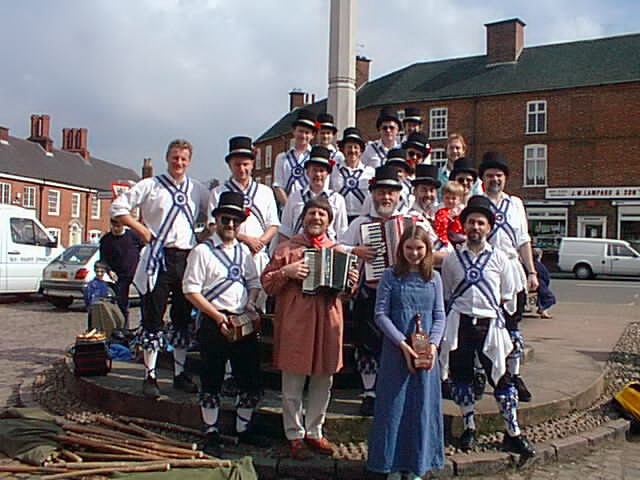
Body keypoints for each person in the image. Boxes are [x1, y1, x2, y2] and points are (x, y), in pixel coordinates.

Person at [111, 138, 209, 398]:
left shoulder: (197, 189)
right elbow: (119, 207)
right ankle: (150, 375)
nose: (179, 163)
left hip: (187, 258)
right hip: (158, 257)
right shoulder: (150, 185)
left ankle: (179, 374)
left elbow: (215, 213)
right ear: (168, 158)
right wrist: (141, 229)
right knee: (153, 318)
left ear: (189, 161)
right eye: (175, 158)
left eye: (184, 159)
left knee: (182, 319)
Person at [261, 197, 358, 460]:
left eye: (322, 215)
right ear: (303, 218)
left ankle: (315, 431)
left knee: (323, 380)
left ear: (330, 221)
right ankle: (294, 434)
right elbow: (267, 284)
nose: (317, 218)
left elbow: (348, 293)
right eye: (312, 213)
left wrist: (351, 282)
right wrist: (286, 272)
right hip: (296, 322)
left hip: (328, 322)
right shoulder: (286, 249)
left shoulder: (338, 251)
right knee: (293, 381)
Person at [440, 195, 536, 457]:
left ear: (489, 228)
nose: (476, 227)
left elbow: (507, 294)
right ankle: (469, 426)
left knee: (503, 380)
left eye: (481, 223)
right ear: (464, 226)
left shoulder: (500, 259)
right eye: (471, 222)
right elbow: (448, 292)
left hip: (490, 327)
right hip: (460, 325)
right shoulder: (451, 259)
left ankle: (512, 432)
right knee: (462, 379)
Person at [342, 165, 441, 416]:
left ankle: (401, 389)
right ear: (372, 195)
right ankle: (369, 392)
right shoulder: (361, 224)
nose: (386, 197)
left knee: (406, 341)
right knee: (367, 344)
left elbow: (442, 250)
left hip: (407, 294)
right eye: (381, 192)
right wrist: (357, 251)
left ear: (399, 196)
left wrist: (425, 259)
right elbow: (338, 246)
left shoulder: (414, 222)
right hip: (371, 291)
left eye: (391, 193)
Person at [183, 192, 269, 451]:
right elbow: (190, 290)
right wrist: (218, 317)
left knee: (249, 378)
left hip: (241, 321)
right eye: (225, 219)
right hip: (213, 321)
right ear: (216, 220)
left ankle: (243, 429)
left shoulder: (244, 252)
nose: (230, 225)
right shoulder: (201, 252)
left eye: (235, 220)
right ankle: (211, 431)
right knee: (212, 378)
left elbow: (254, 283)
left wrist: (251, 304)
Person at [366, 226, 445, 479]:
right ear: (401, 249)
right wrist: (401, 343)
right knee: (394, 407)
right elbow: (380, 314)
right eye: (409, 248)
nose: (414, 253)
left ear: (427, 249)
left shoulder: (434, 278)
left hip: (425, 354)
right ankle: (390, 463)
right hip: (396, 351)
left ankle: (417, 465)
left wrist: (433, 344)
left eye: (419, 248)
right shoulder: (390, 276)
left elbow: (440, 315)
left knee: (421, 407)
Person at [480, 152, 539, 403]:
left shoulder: (515, 204)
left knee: (512, 326)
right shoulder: (476, 201)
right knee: (483, 325)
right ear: (483, 179)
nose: (495, 179)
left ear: (506, 178)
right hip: (484, 271)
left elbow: (523, 239)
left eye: (499, 175)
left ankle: (513, 375)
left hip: (512, 269)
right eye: (490, 175)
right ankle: (484, 374)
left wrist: (532, 272)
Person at [208, 136, 280, 311]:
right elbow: (212, 226)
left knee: (259, 303)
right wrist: (247, 240)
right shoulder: (218, 192)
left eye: (245, 164)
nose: (242, 168)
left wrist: (260, 242)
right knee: (231, 301)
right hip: (228, 255)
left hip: (258, 255)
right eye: (237, 164)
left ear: (252, 164)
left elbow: (273, 225)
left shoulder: (265, 192)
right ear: (230, 165)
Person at [279, 145, 348, 242]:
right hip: (298, 249)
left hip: (327, 250)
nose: (318, 174)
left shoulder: (337, 199)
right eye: (314, 170)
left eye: (321, 171)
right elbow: (285, 230)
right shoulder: (295, 197)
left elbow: (342, 234)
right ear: (307, 172)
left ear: (327, 174)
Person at [99, 217, 143, 328]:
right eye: (114, 227)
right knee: (121, 303)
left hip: (136, 272)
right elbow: (103, 258)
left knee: (146, 300)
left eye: (118, 227)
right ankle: (124, 327)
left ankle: (145, 325)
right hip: (118, 275)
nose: (116, 229)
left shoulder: (133, 236)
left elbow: (144, 248)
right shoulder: (106, 240)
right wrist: (109, 271)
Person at [272, 109, 317, 208]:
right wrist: (290, 207)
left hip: (311, 208)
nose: (303, 136)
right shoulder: (282, 158)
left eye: (307, 132)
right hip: (287, 208)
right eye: (300, 131)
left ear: (312, 135)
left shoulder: (315, 157)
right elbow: (278, 186)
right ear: (294, 132)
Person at [329, 127, 374, 223]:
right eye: (349, 147)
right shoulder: (333, 171)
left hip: (362, 219)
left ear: (361, 150)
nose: (352, 151)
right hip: (339, 218)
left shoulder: (370, 172)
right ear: (343, 150)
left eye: (356, 147)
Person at [438, 133, 481, 201]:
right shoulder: (438, 175)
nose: (454, 151)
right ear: (446, 150)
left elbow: (478, 198)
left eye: (457, 148)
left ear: (463, 150)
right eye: (451, 148)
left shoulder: (475, 178)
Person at [434, 181, 465, 247]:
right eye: (447, 198)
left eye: (454, 198)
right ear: (443, 198)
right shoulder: (440, 211)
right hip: (445, 239)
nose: (450, 201)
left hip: (462, 239)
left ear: (460, 199)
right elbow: (440, 228)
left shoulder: (462, 211)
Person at [84, 261, 112, 328]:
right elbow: (87, 297)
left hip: (103, 309)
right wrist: (89, 308)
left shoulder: (105, 284)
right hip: (93, 310)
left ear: (105, 271)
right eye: (97, 271)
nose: (99, 274)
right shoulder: (91, 284)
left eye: (101, 272)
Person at [534, 248, 556, 318]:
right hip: (539, 284)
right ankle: (542, 309)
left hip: (537, 284)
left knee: (541, 297)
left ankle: (542, 310)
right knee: (550, 298)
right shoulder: (538, 265)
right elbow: (545, 277)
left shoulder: (530, 263)